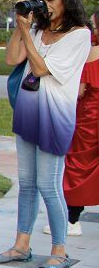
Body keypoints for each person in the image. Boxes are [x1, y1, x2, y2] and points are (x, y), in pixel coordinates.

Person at [0, 0, 92, 268]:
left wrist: (28, 32)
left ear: (66, 2)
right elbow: (12, 59)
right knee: (27, 184)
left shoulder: (79, 35)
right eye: (42, 1)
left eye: (51, 1)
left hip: (54, 116)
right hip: (27, 112)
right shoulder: (36, 29)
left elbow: (40, 67)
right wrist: (21, 27)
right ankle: (21, 245)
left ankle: (59, 249)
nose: (45, 7)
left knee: (49, 185)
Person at [56, 42, 99, 235]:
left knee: (79, 163)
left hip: (91, 116)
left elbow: (81, 90)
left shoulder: (93, 52)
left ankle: (73, 220)